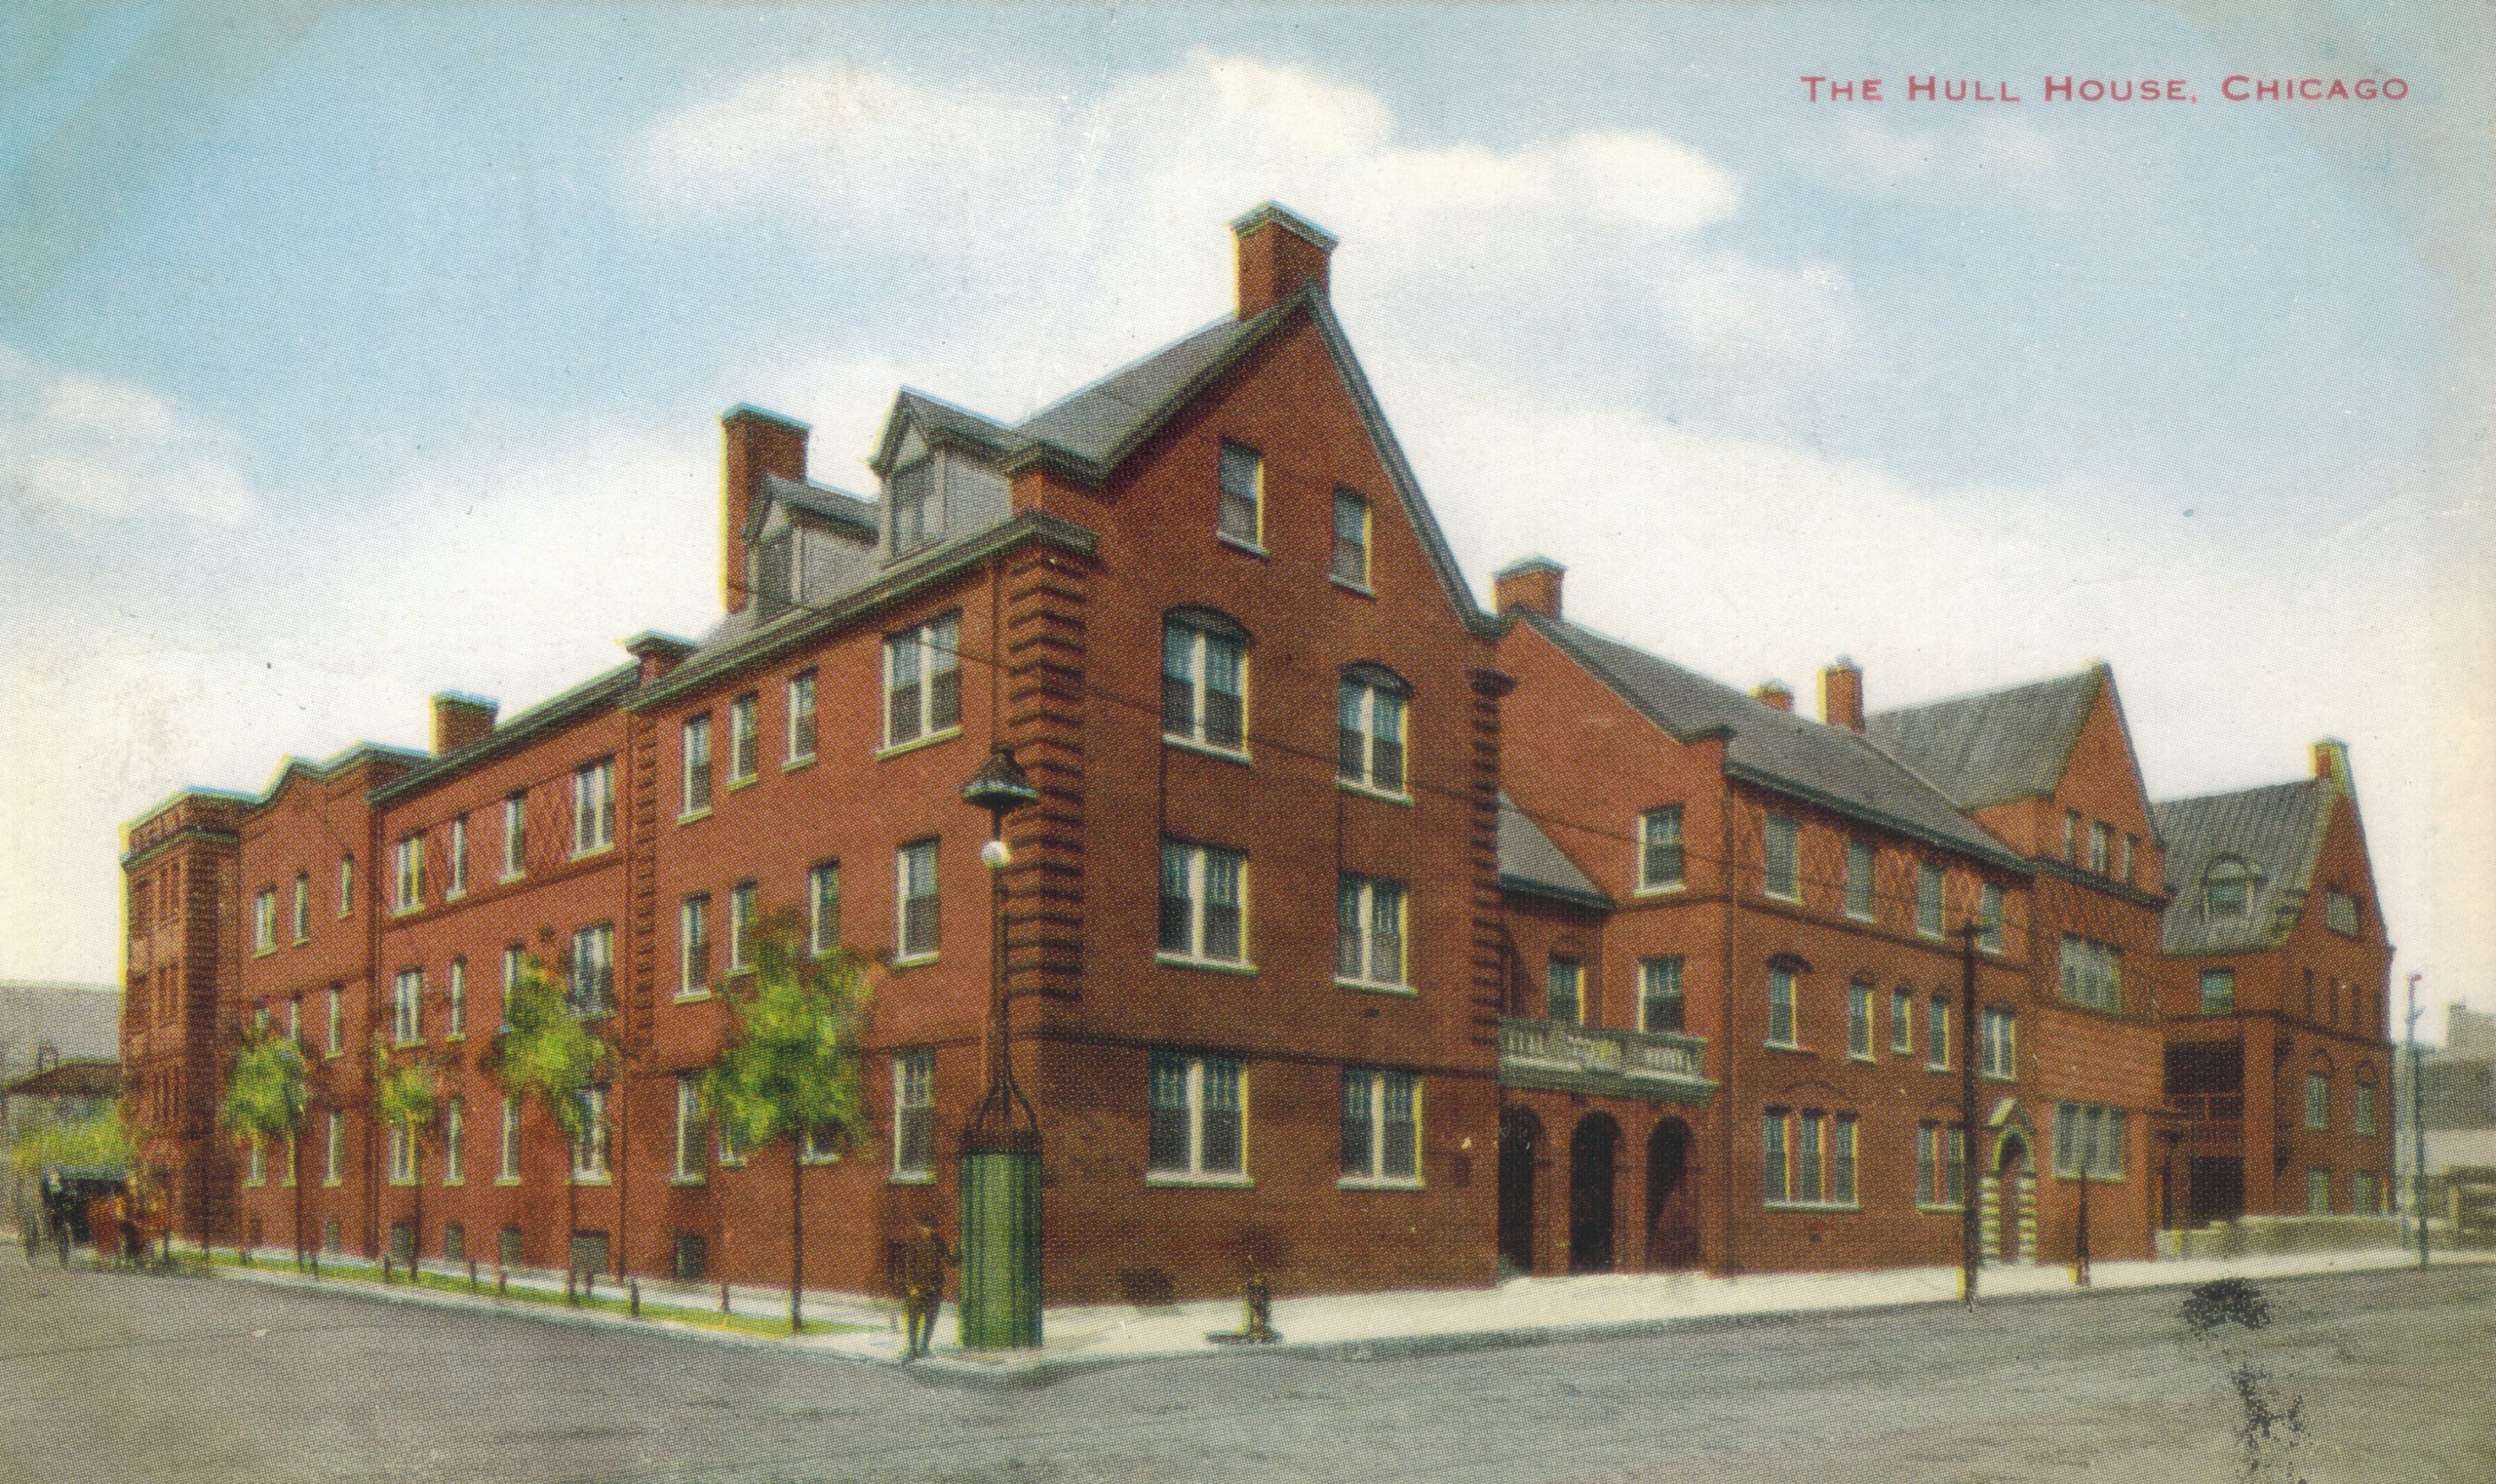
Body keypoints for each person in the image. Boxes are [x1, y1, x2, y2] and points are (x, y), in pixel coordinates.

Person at [898, 1217, 953, 1360]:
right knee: (913, 1319)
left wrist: (961, 1250)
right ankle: (912, 1348)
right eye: (926, 1227)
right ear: (920, 1227)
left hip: (934, 1288)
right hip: (918, 1288)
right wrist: (912, 1287)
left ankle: (924, 1348)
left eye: (932, 1227)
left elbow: (949, 1260)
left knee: (930, 1319)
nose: (929, 1230)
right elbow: (908, 1267)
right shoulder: (914, 1244)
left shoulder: (939, 1242)